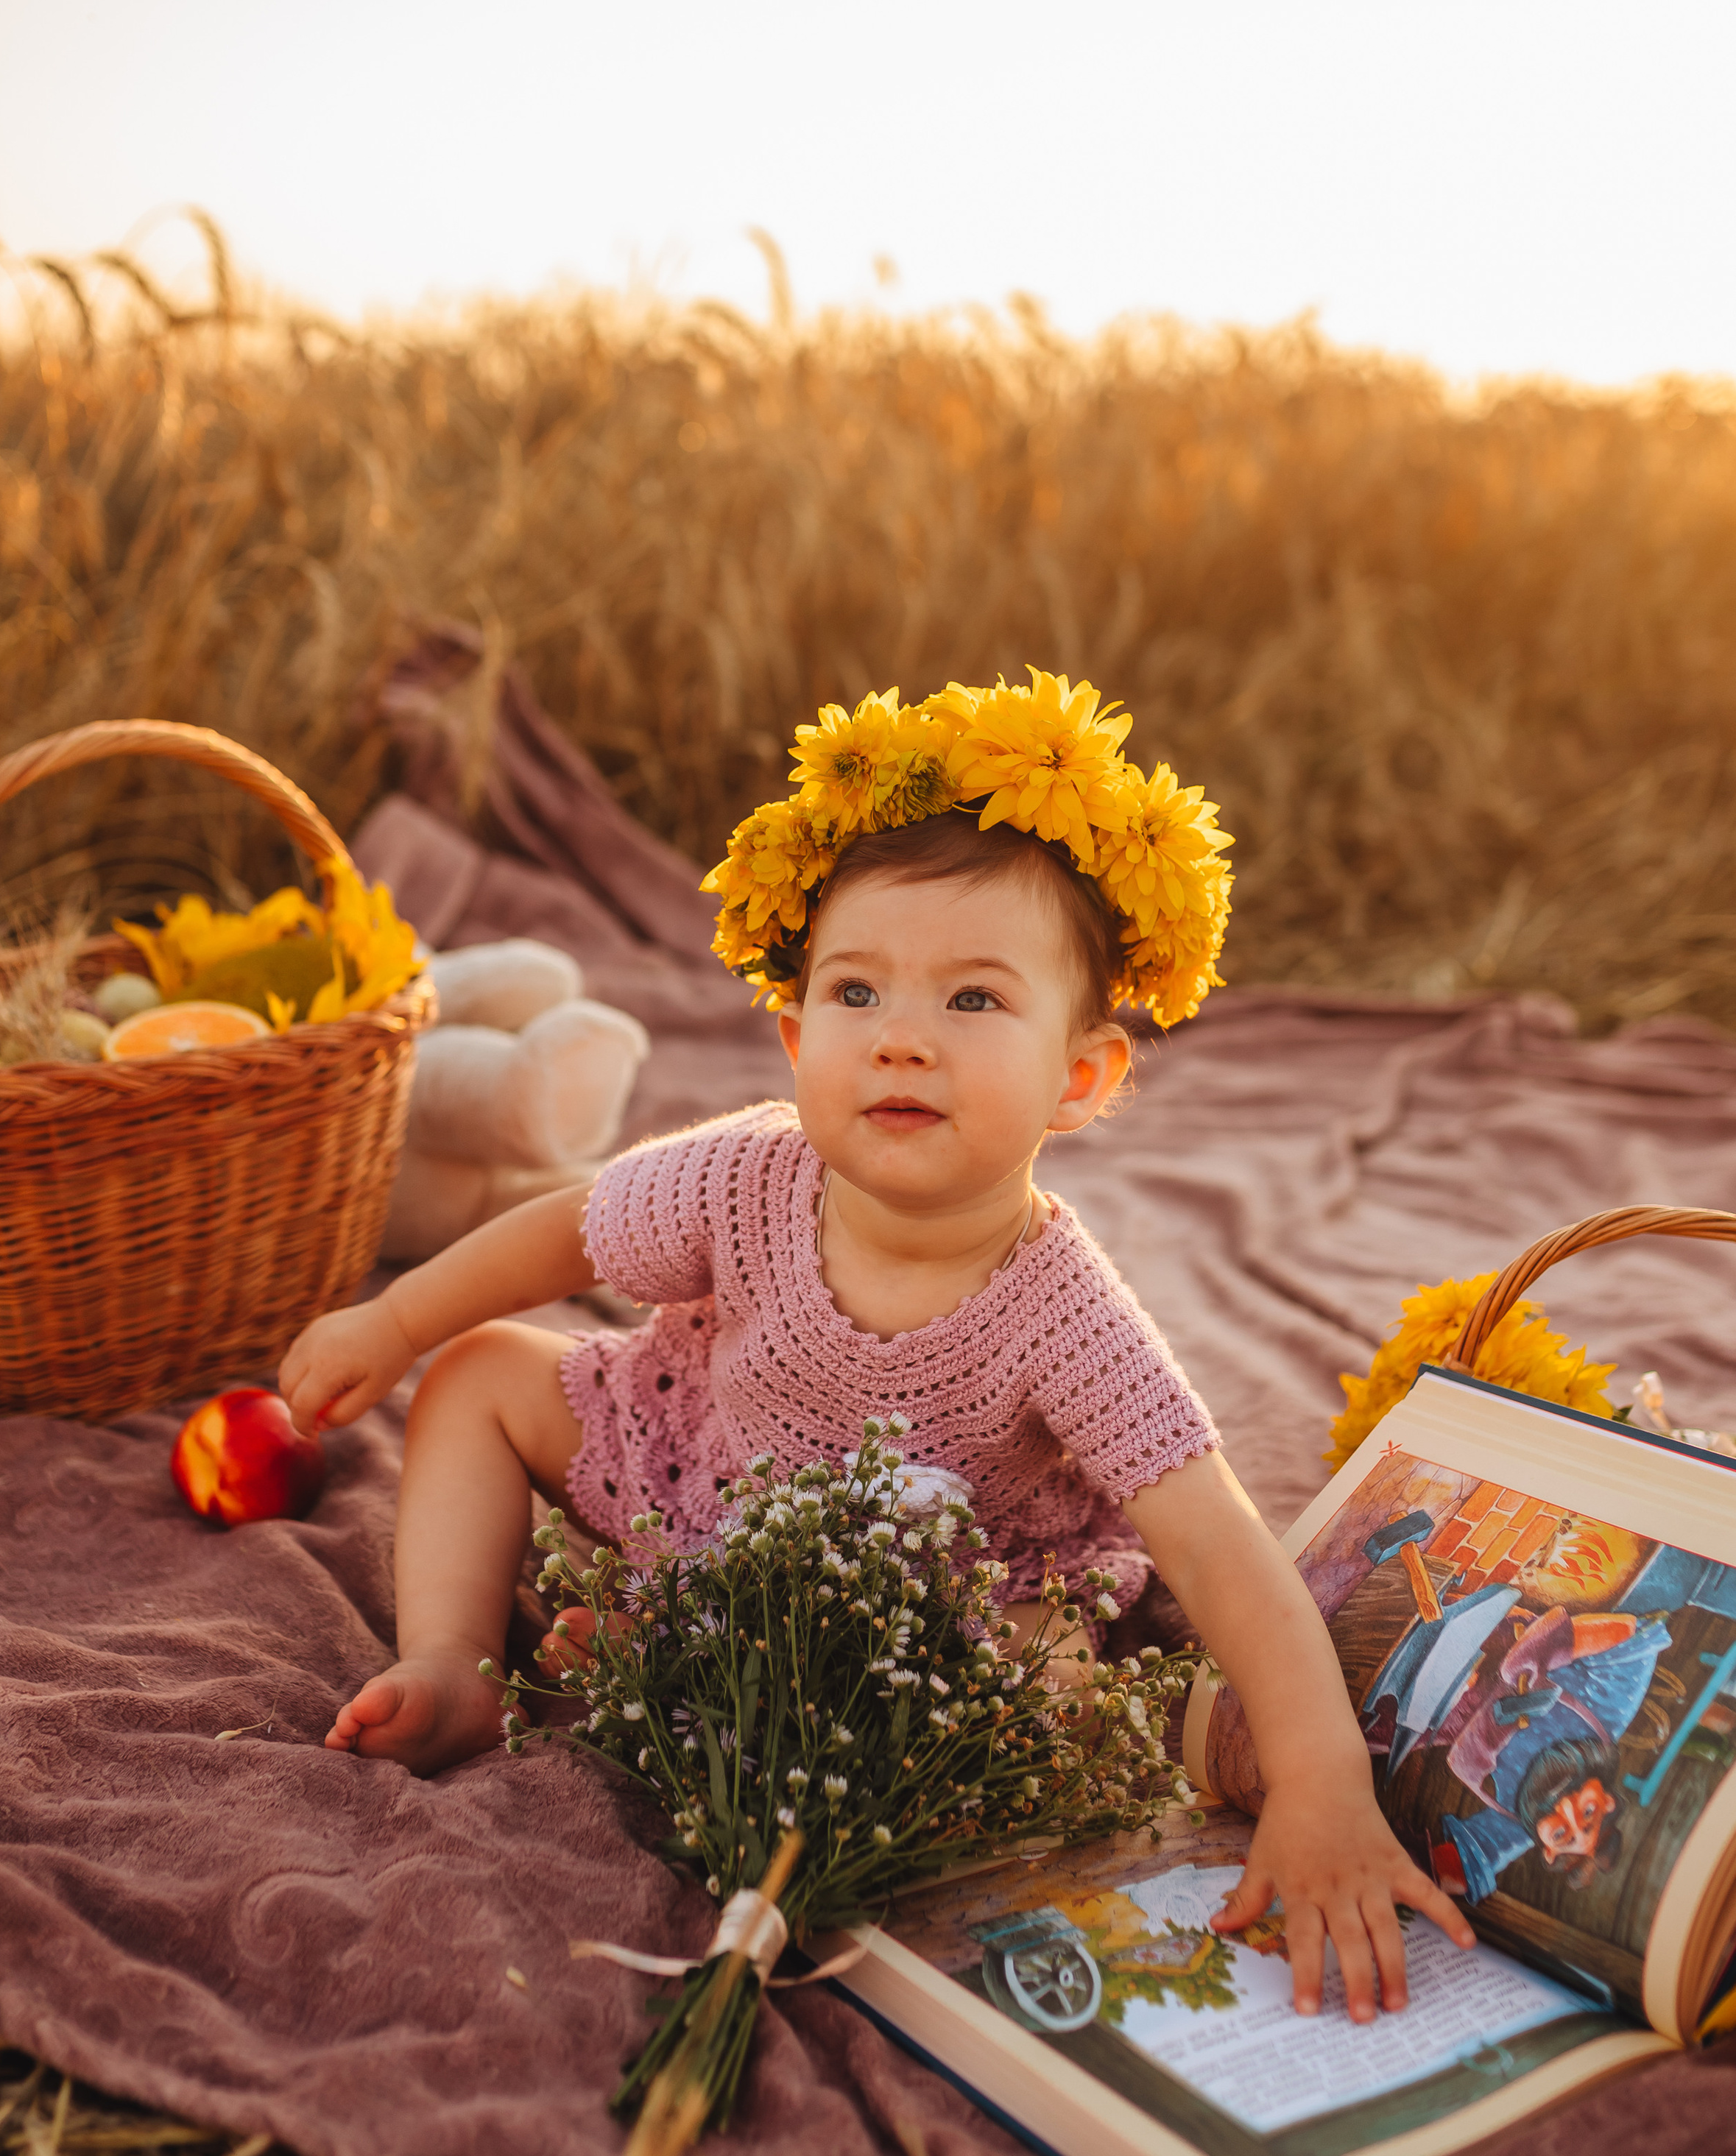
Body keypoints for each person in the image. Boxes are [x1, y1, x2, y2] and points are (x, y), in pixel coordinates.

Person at [280, 672, 1475, 2021]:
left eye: (974, 1002)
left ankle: (677, 1658)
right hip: (701, 1466)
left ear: (1080, 1077)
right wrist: (397, 1318)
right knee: (477, 1376)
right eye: (857, 992)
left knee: (1052, 1697)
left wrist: (1320, 1782)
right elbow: (571, 1230)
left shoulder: (1064, 1311)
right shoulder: (747, 1175)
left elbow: (1216, 1544)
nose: (902, 1039)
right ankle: (456, 1662)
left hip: (937, 1588)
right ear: (796, 1038)